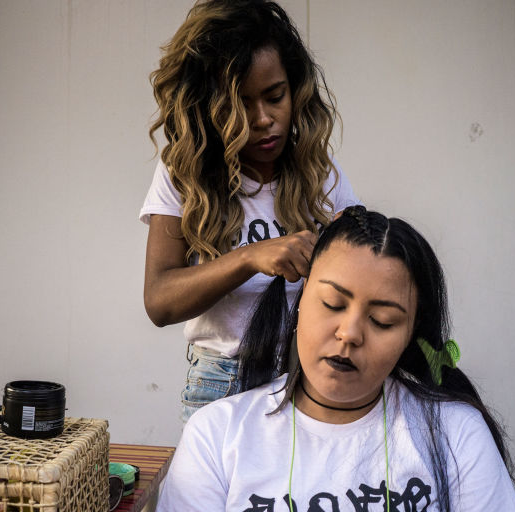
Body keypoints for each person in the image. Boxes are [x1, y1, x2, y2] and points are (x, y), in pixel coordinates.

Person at [156, 206, 515, 511]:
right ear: (299, 305)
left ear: (409, 336)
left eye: (383, 321)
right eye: (332, 304)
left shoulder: (456, 433)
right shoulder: (216, 435)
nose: (350, 333)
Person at [140, 0, 359, 421]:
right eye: (240, 104)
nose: (263, 119)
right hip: (221, 385)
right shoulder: (182, 174)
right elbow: (159, 301)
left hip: (308, 380)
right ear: (208, 106)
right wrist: (249, 258)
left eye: (275, 96)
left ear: (295, 89)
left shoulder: (321, 174)